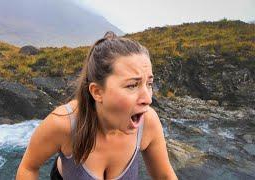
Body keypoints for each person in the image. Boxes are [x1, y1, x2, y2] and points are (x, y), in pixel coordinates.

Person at [16, 31, 177, 180]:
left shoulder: (148, 123)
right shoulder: (63, 124)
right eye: (132, 85)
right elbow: (29, 167)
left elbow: (165, 176)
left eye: (149, 84)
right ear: (97, 92)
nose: (148, 99)